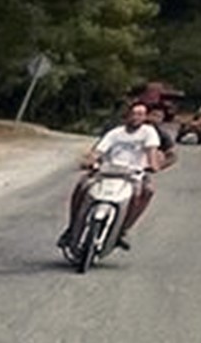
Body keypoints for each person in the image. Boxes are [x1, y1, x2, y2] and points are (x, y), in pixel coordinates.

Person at [68, 111, 164, 259]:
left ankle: (123, 229)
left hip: (134, 174)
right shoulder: (114, 133)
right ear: (126, 117)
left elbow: (151, 151)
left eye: (140, 114)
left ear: (144, 118)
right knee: (82, 185)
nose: (136, 117)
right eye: (133, 114)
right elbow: (98, 152)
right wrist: (89, 161)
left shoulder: (149, 132)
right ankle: (72, 226)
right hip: (107, 170)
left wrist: (153, 165)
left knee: (147, 191)